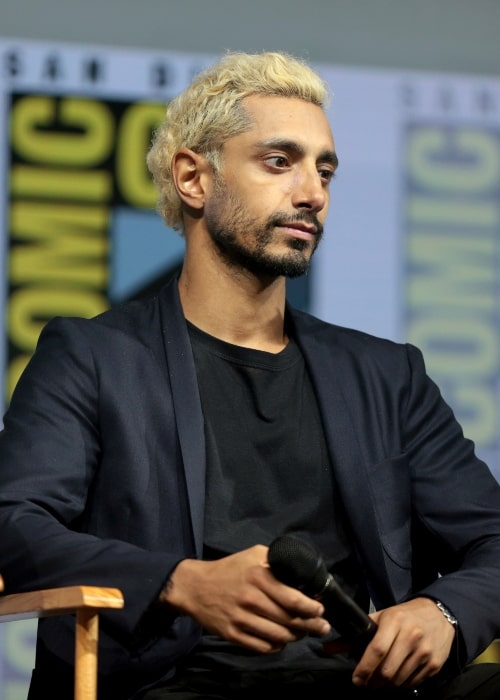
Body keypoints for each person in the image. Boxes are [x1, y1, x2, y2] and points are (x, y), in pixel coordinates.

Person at [1, 50, 500, 700]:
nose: (312, 193)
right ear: (193, 179)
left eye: (325, 170)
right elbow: (14, 520)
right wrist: (180, 582)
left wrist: (445, 613)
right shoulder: (93, 357)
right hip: (176, 682)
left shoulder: (384, 375)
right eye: (279, 161)